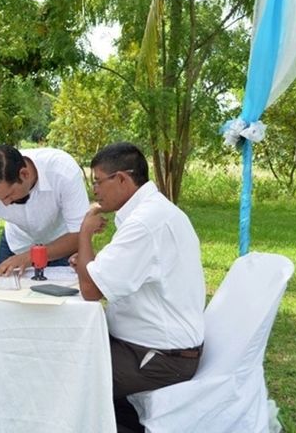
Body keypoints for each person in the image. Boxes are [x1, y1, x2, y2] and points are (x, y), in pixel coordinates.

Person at [71, 142, 205, 433]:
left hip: (161, 356)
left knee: (70, 376)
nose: (94, 190)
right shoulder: (152, 213)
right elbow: (103, 274)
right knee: (70, 351)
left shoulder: (145, 223)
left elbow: (91, 290)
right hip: (146, 346)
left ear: (121, 179)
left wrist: (84, 232)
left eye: (97, 181)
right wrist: (86, 262)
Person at [0, 144, 89, 276]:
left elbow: (80, 233)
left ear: (24, 174)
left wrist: (31, 257)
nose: (5, 203)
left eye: (8, 195)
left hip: (62, 246)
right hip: (16, 244)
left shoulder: (63, 171)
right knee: (3, 294)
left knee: (59, 295)